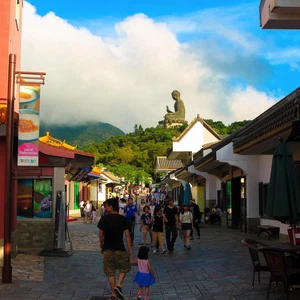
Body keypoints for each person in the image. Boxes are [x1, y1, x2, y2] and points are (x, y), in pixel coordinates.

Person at [98, 198, 133, 300]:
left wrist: (101, 245)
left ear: (111, 207)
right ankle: (118, 285)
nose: (105, 207)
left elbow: (100, 234)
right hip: (120, 248)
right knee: (124, 268)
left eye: (107, 206)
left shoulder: (104, 218)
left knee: (110, 272)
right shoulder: (122, 219)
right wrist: (130, 251)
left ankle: (114, 294)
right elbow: (127, 235)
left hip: (107, 249)